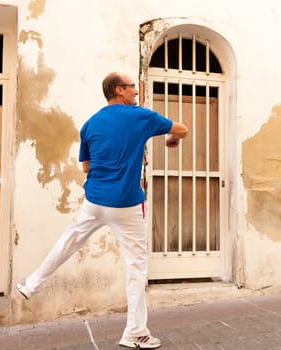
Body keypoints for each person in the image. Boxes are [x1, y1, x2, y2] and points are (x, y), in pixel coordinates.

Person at [17, 72, 188, 349]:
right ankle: (136, 333)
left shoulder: (90, 123)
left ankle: (31, 283)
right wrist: (173, 139)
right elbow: (182, 129)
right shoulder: (141, 117)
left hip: (95, 201)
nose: (137, 91)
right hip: (127, 203)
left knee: (69, 241)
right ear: (119, 90)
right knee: (136, 266)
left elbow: (85, 166)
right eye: (133, 87)